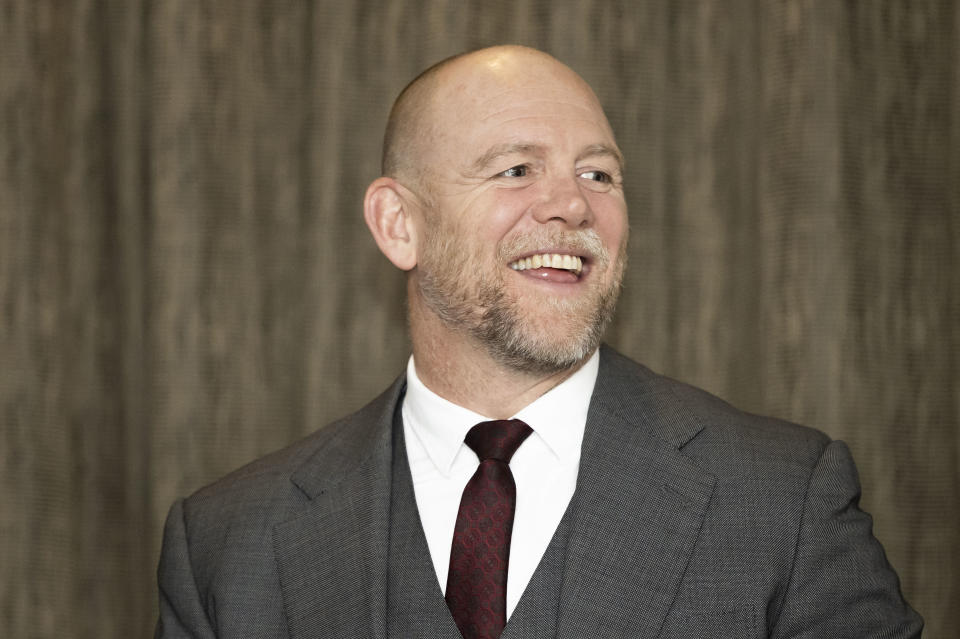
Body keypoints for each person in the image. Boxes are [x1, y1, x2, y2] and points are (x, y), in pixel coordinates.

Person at [155, 45, 922, 638]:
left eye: (600, 174)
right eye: (517, 168)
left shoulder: (785, 503)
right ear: (399, 224)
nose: (569, 204)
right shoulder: (227, 544)